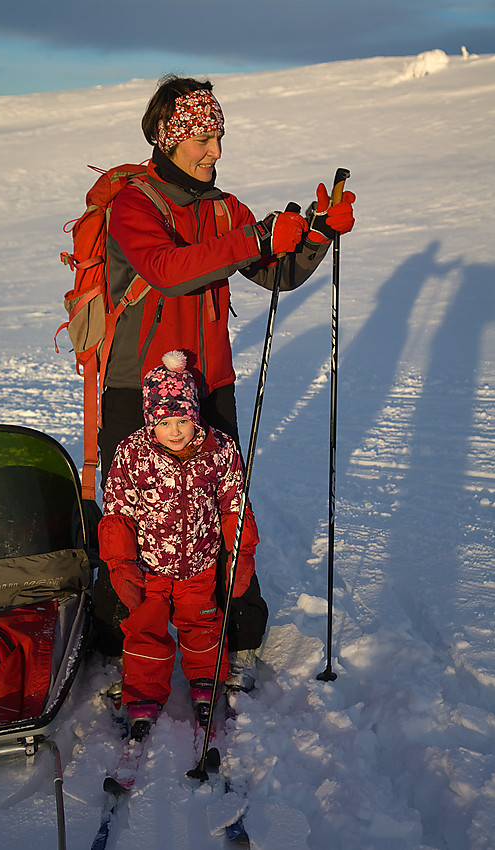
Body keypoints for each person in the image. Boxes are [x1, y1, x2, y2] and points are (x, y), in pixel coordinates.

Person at [93, 74, 356, 689]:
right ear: (169, 137)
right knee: (138, 511)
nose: (216, 151)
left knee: (216, 504)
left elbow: (275, 273)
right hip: (140, 388)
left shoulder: (225, 208)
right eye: (204, 138)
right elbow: (166, 269)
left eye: (219, 136)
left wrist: (316, 232)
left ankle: (232, 618)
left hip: (209, 382)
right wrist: (258, 236)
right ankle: (130, 624)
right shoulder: (133, 205)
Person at [98, 350, 259, 740]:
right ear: (151, 419)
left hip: (199, 563)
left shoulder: (219, 450)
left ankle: (206, 680)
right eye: (165, 421)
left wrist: (241, 553)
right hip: (150, 566)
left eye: (183, 419)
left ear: (195, 415)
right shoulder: (132, 454)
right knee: (145, 630)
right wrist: (121, 563)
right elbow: (118, 510)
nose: (175, 430)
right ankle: (144, 693)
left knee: (202, 624)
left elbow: (234, 503)